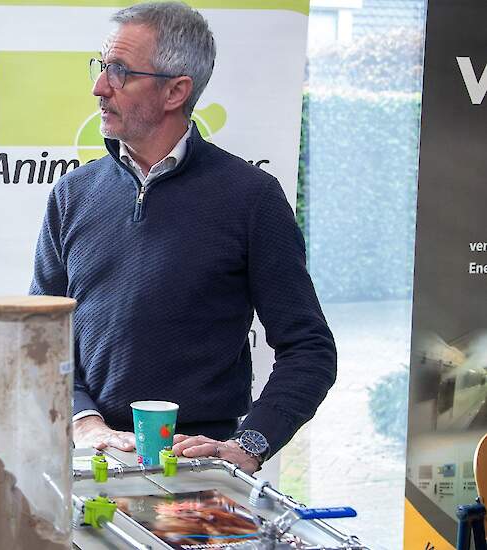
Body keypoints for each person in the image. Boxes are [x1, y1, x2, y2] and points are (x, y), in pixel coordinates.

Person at [29, 1, 337, 474]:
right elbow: (41, 336)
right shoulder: (73, 193)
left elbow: (310, 349)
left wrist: (249, 444)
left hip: (197, 475)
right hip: (86, 462)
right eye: (101, 67)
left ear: (176, 91)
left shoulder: (251, 197)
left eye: (119, 72)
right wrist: (83, 421)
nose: (99, 87)